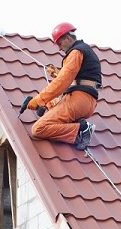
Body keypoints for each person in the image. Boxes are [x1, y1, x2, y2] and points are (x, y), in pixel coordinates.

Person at [25, 22, 102, 150]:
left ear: (67, 37)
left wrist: (38, 100)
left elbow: (62, 82)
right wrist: (57, 72)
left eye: (60, 43)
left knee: (38, 129)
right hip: (85, 101)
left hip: (79, 100)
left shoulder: (76, 52)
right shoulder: (84, 50)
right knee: (50, 102)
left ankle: (81, 129)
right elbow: (76, 77)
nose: (59, 48)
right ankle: (46, 110)